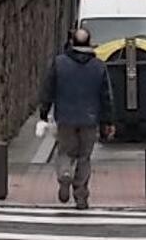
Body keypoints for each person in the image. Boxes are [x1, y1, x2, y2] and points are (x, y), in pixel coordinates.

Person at [39, 28, 114, 210]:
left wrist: (44, 112)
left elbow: (48, 90)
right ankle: (81, 194)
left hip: (65, 117)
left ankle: (65, 174)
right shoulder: (99, 66)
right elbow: (106, 96)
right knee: (84, 157)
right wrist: (108, 121)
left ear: (72, 42)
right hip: (90, 118)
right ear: (89, 43)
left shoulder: (59, 63)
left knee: (65, 151)